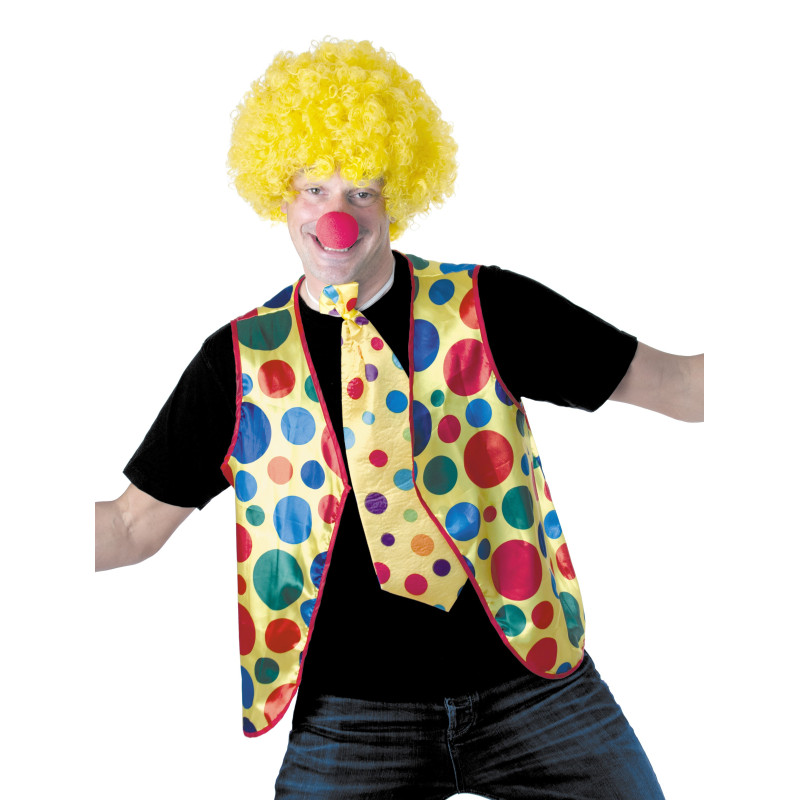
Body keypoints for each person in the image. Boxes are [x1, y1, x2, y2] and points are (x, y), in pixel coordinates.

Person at [95, 39, 703, 799]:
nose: (335, 218)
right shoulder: (240, 362)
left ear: (399, 197)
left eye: (363, 192)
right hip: (353, 717)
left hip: (531, 683)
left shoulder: (489, 309)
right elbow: (130, 528)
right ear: (280, 196)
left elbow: (680, 384)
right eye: (314, 190)